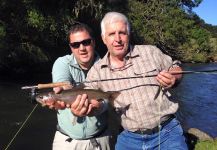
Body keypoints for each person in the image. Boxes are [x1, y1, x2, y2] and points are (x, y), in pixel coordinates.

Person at [84, 12, 188, 150]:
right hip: (129, 138)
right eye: (111, 34)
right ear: (104, 39)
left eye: (122, 32)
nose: (117, 39)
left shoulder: (151, 52)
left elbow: (175, 66)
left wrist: (174, 77)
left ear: (129, 34)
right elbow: (90, 100)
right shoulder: (96, 72)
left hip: (167, 132)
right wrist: (87, 107)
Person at [48, 23, 113, 150]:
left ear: (93, 42)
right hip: (67, 142)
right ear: (71, 47)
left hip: (102, 139)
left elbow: (107, 102)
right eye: (75, 45)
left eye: (86, 42)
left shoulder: (107, 65)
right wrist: (64, 91)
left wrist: (99, 106)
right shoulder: (61, 63)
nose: (81, 48)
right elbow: (63, 83)